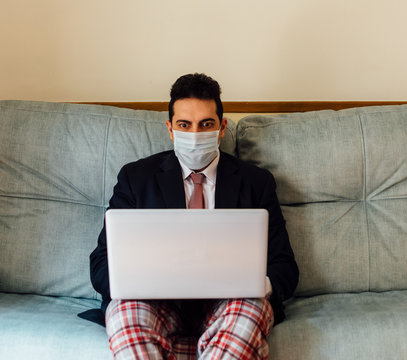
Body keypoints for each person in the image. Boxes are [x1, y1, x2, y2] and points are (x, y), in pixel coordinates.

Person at [89, 73, 299, 360]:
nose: (195, 134)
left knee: (250, 309)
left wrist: (256, 285)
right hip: (156, 303)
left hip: (228, 304)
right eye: (185, 125)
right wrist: (131, 282)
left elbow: (285, 267)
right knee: (124, 313)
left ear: (222, 127)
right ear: (170, 129)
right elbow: (101, 263)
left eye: (206, 124)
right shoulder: (136, 178)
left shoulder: (256, 182)